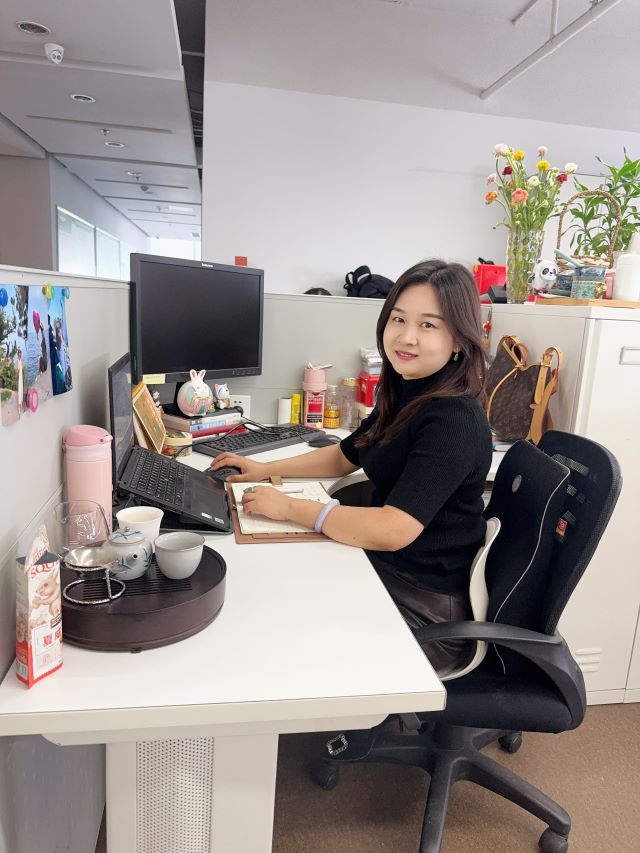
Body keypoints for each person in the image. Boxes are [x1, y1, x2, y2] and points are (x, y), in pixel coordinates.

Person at [212, 259, 492, 675]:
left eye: (428, 325)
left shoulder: (453, 419)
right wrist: (265, 469)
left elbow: (394, 529)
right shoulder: (407, 391)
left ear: (458, 340)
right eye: (399, 319)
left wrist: (289, 508)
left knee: (279, 624)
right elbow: (345, 454)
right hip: (390, 572)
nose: (407, 336)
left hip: (427, 613)